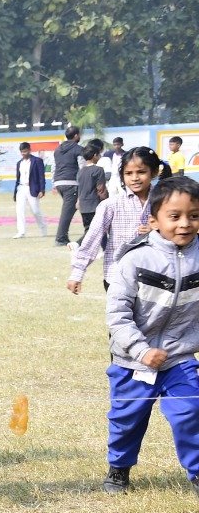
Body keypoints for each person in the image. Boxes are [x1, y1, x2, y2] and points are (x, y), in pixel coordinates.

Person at [101, 174, 199, 495]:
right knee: (127, 419)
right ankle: (119, 468)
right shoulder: (135, 258)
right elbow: (117, 314)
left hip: (178, 358)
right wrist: (142, 351)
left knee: (191, 411)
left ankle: (196, 472)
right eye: (175, 216)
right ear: (154, 220)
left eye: (194, 216)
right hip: (132, 361)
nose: (185, 223)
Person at [69, 146, 159, 294]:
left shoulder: (164, 202)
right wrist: (77, 273)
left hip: (155, 278)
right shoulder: (111, 205)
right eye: (128, 173)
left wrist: (157, 230)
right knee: (120, 317)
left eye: (141, 172)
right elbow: (92, 238)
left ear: (153, 172)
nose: (135, 178)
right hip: (117, 277)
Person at [52, 127, 85, 246]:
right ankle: (60, 238)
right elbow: (82, 168)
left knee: (69, 209)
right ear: (76, 136)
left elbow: (54, 167)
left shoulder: (58, 149)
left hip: (59, 182)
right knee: (68, 211)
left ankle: (64, 236)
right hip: (71, 182)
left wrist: (54, 183)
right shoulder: (79, 149)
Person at [13, 142, 48, 239]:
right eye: (22, 152)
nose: (24, 153)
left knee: (35, 210)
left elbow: (41, 176)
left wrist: (42, 190)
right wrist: (15, 192)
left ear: (29, 150)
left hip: (32, 188)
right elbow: (18, 178)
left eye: (25, 151)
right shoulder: (19, 163)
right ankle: (21, 231)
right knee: (19, 210)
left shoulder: (37, 161)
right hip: (21, 188)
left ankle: (43, 227)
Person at [77, 139, 109, 234]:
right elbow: (101, 189)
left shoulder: (80, 171)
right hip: (94, 204)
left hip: (83, 205)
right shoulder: (98, 170)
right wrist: (106, 201)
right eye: (99, 154)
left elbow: (80, 188)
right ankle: (77, 244)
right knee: (97, 231)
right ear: (95, 155)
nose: (100, 156)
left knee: (88, 229)